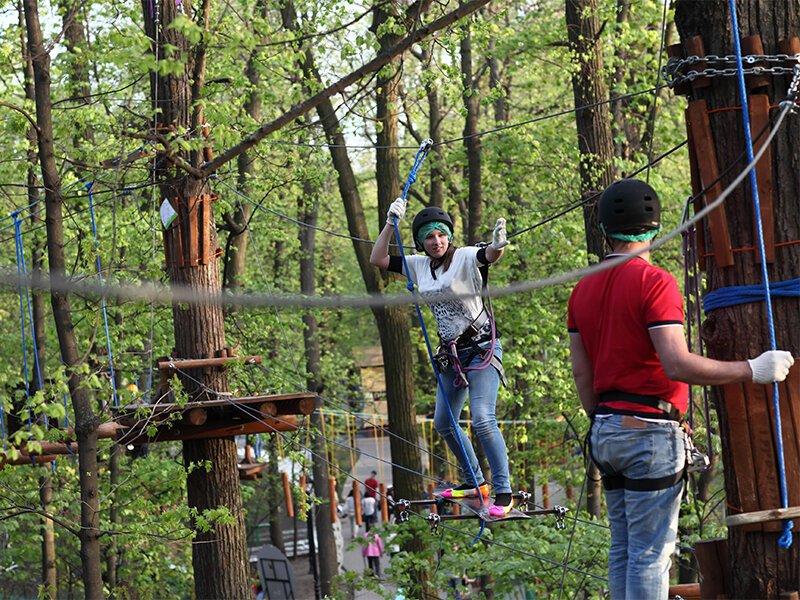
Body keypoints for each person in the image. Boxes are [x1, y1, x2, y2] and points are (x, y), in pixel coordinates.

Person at [567, 178, 795, 600]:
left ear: (605, 232)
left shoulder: (583, 289)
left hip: (605, 432)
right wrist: (752, 369)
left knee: (624, 549)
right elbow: (676, 362)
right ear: (655, 228)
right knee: (651, 556)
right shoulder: (655, 283)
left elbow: (583, 375)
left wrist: (607, 423)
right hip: (648, 434)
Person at [370, 199, 514, 517]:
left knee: (482, 418)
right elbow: (377, 258)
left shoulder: (463, 257)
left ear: (449, 236)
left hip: (481, 349)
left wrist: (498, 246)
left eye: (441, 235)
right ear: (421, 241)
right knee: (444, 422)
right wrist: (390, 223)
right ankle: (475, 481)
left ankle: (503, 489)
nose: (436, 242)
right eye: (429, 237)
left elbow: (488, 255)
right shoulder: (419, 265)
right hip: (452, 354)